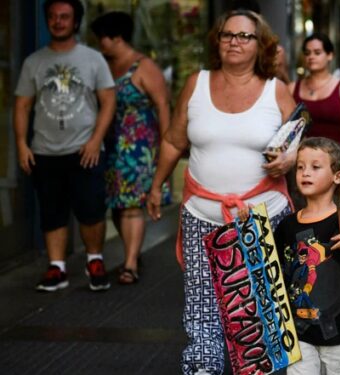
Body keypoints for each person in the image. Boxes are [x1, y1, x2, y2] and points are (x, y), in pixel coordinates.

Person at [145, 10, 297, 375]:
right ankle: (202, 367)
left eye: (245, 36)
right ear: (217, 40)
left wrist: (291, 158)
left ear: (260, 45)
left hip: (263, 214)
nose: (234, 41)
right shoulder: (196, 83)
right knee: (200, 305)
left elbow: (298, 138)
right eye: (228, 34)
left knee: (259, 306)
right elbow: (173, 140)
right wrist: (156, 185)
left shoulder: (275, 89)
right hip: (201, 214)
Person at [14, 0, 115, 292]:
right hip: (45, 150)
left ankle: (94, 260)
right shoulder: (33, 62)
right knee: (51, 211)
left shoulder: (93, 59)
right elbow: (22, 106)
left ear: (75, 22)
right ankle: (56, 268)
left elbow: (109, 100)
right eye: (53, 17)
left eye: (64, 17)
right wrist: (21, 144)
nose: (58, 22)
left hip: (85, 150)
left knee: (91, 210)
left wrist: (96, 140)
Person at [91, 11, 171, 285]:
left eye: (102, 37)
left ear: (117, 37)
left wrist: (166, 146)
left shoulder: (143, 67)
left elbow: (163, 106)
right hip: (110, 145)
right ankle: (132, 252)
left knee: (132, 207)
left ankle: (130, 263)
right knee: (117, 205)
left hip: (139, 147)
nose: (99, 43)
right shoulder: (104, 65)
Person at [273, 137, 340, 375]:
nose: (305, 173)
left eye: (315, 167)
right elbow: (271, 263)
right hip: (297, 327)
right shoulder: (287, 225)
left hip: (337, 325)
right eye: (300, 167)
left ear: (337, 176)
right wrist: (247, 224)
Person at [288, 33, 340, 146]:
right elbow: (285, 130)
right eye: (307, 53)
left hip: (336, 159)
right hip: (300, 160)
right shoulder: (292, 88)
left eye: (317, 52)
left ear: (330, 55)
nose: (311, 57)